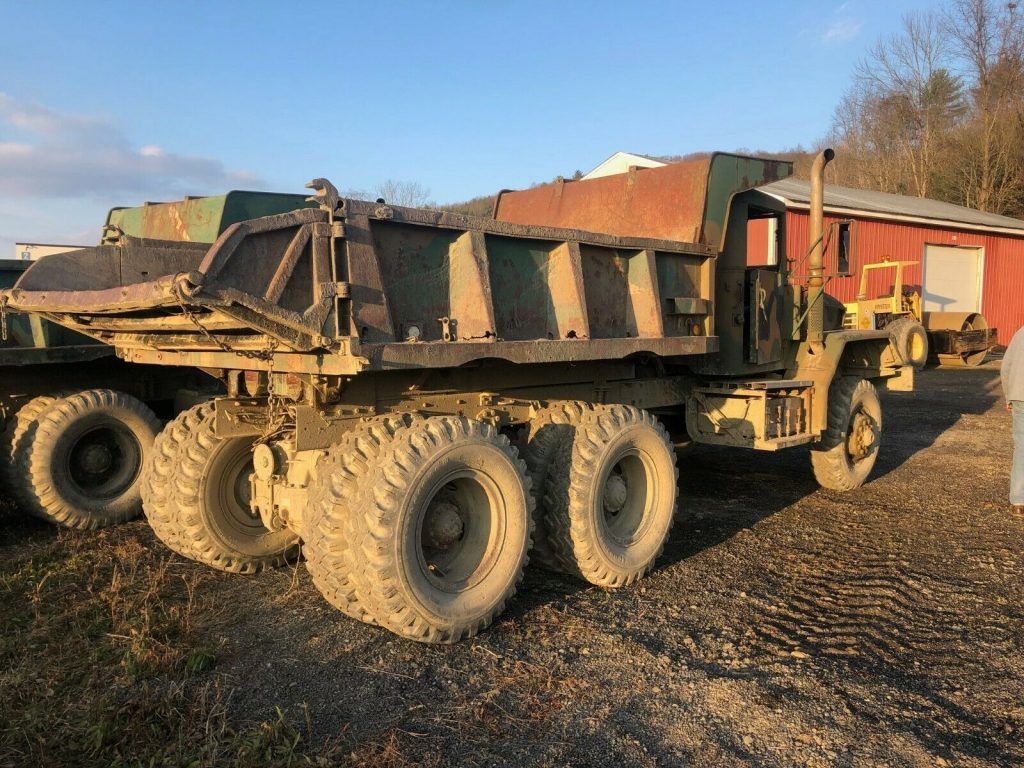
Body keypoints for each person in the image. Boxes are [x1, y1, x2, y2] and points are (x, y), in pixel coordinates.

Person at [1003, 325, 1024, 514]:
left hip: (1019, 396)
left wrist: (1008, 396)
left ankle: (1018, 501)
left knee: (1021, 449)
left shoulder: (1020, 334)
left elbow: (1006, 366)